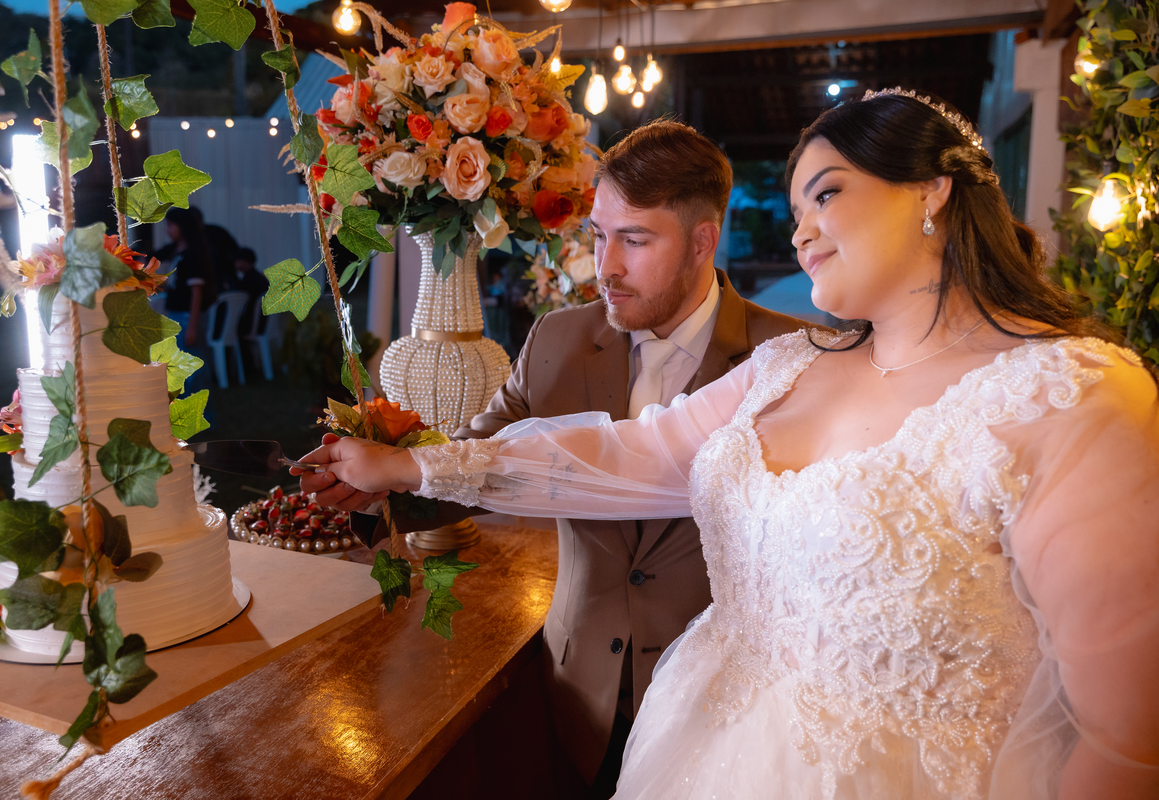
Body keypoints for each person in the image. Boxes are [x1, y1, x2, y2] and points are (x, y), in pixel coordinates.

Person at [294, 93, 1159, 799]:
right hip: (698, 745)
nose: (801, 230)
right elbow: (628, 453)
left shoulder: (1072, 395)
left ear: (932, 192)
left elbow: (1128, 735)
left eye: (826, 194)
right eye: (795, 211)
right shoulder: (790, 367)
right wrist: (409, 464)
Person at [301, 119, 816, 795]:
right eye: (599, 235)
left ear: (702, 241)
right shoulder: (556, 340)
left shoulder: (792, 359)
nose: (606, 266)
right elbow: (476, 461)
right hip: (580, 691)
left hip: (729, 712)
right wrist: (374, 485)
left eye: (634, 240)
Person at [158, 206, 217, 349]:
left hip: (186, 316)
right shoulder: (177, 252)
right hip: (176, 313)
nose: (168, 230)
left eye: (171, 225)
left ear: (182, 226)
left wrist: (192, 327)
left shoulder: (191, 255)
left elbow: (196, 292)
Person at [232, 247, 269, 338]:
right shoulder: (260, 277)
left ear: (243, 261)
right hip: (265, 323)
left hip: (253, 323)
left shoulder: (248, 280)